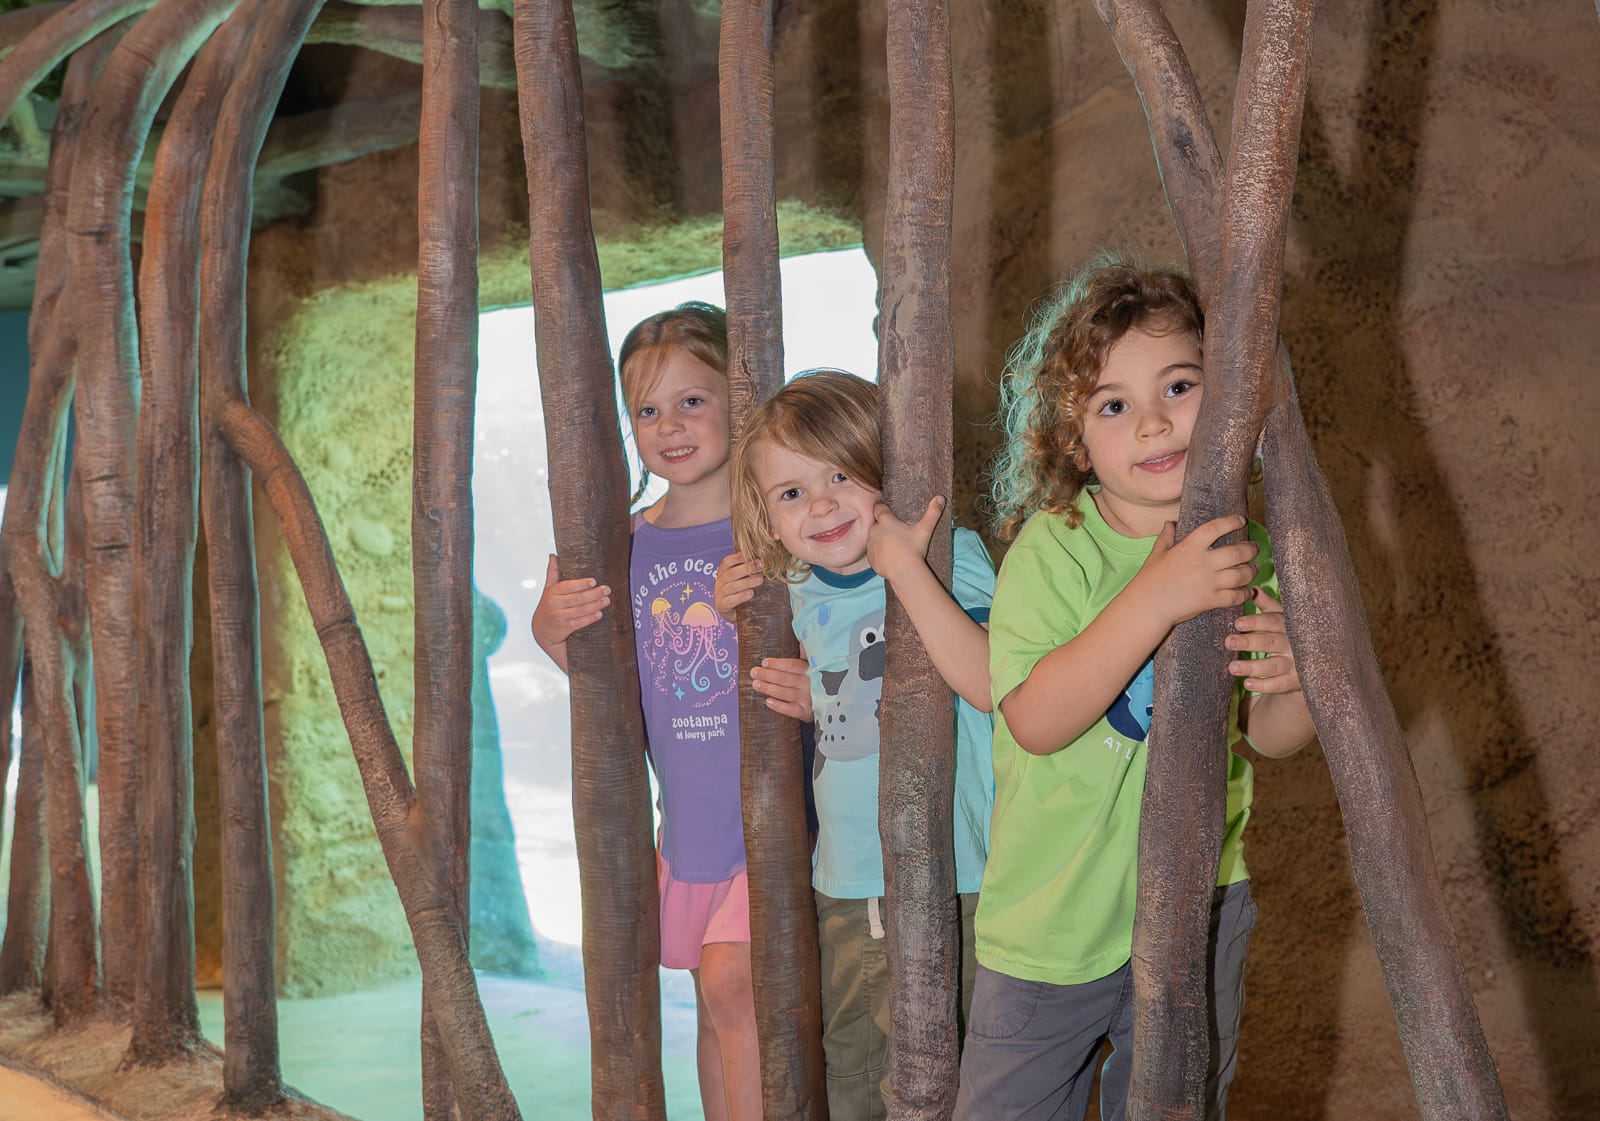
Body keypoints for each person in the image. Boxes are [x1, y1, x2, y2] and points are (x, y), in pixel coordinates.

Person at [953, 256, 1317, 1121]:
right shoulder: (1056, 547)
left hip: (1199, 905)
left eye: (1180, 386)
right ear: (1075, 440)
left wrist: (1300, 679)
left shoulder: (1247, 547)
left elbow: (1266, 733)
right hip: (1054, 921)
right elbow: (1037, 718)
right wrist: (1157, 595)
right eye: (1114, 404)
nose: (1154, 423)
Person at [530, 302, 798, 1121]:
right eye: (647, 408)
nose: (669, 425)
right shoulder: (623, 541)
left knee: (733, 984)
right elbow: (606, 675)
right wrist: (551, 626)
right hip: (686, 823)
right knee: (713, 1006)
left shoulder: (775, 526)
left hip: (773, 813)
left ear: (736, 398)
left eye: (692, 399)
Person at [717, 369, 996, 1121]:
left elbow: (981, 670)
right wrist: (726, 601)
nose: (823, 504)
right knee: (855, 1065)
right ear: (769, 522)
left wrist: (829, 691)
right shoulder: (798, 590)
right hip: (845, 877)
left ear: (887, 471)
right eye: (792, 493)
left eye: (841, 473)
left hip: (957, 869)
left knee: (952, 1068)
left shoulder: (950, 553)